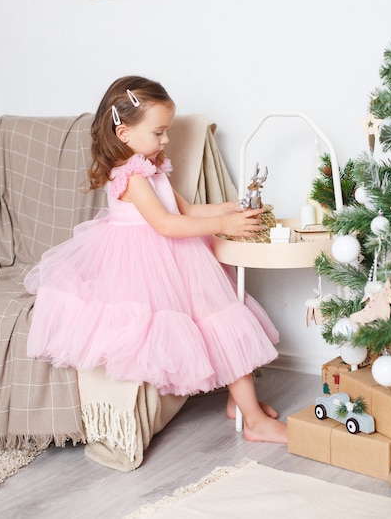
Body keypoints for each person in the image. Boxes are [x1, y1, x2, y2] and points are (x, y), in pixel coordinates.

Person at [25, 75, 288, 444]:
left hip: (178, 254)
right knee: (219, 319)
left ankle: (239, 403)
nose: (166, 140)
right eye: (159, 132)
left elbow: (188, 209)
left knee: (223, 315)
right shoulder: (131, 177)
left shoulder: (151, 166)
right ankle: (254, 420)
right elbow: (165, 223)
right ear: (124, 133)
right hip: (151, 264)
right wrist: (224, 224)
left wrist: (233, 207)